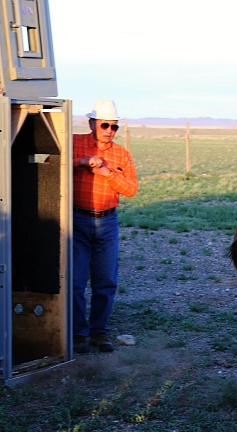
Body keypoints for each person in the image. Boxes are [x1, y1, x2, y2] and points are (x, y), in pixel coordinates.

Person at [72, 99, 139, 353]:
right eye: (105, 125)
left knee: (106, 281)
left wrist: (108, 174)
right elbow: (51, 165)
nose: (109, 130)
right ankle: (78, 332)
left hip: (107, 222)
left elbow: (132, 189)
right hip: (77, 219)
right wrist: (82, 163)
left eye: (114, 126)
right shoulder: (74, 142)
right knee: (76, 280)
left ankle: (99, 331)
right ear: (92, 123)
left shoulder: (121, 154)